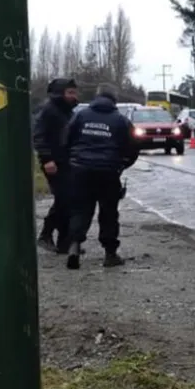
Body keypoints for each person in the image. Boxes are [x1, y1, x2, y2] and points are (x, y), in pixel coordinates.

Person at [63, 84, 139, 270]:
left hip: (81, 170)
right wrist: (121, 165)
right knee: (109, 213)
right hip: (108, 172)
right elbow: (132, 147)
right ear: (114, 100)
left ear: (96, 97)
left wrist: (72, 161)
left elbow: (66, 139)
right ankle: (110, 254)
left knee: (80, 210)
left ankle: (74, 246)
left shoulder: (80, 116)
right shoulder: (120, 120)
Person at [32, 78, 78, 253]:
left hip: (66, 161)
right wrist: (47, 159)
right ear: (60, 93)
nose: (74, 96)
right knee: (63, 199)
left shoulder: (67, 111)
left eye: (75, 92)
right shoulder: (49, 110)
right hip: (54, 162)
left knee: (68, 200)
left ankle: (64, 241)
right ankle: (46, 234)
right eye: (70, 92)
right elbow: (39, 136)